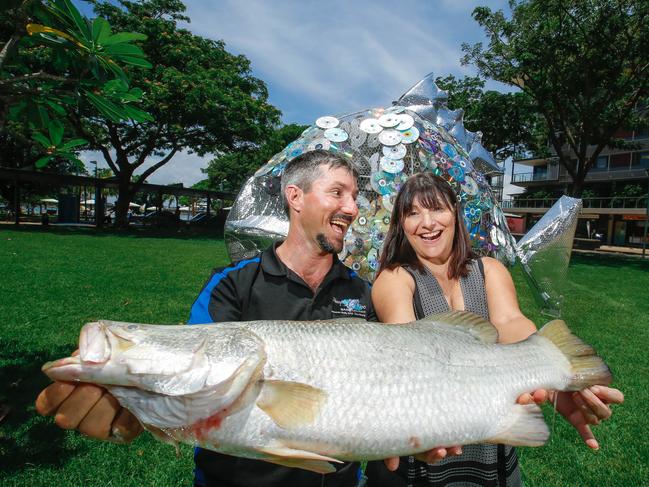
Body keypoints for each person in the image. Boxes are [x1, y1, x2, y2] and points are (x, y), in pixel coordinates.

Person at [36, 150, 392, 486]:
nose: (351, 208)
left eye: (353, 197)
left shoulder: (361, 291)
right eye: (337, 193)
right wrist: (135, 401)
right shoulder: (233, 283)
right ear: (295, 197)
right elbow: (196, 373)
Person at [365, 172, 624, 486]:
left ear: (455, 214)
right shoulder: (394, 278)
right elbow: (409, 352)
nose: (427, 223)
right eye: (413, 213)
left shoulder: (489, 269)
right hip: (424, 445)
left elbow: (510, 323)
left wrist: (556, 374)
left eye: (437, 209)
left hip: (489, 445)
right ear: (401, 226)